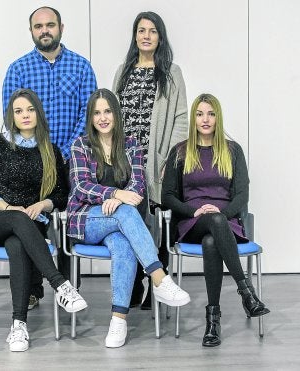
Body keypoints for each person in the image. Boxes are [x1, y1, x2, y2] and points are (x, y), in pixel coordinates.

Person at [67, 89, 190, 348]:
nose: (103, 118)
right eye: (97, 113)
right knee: (125, 212)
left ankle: (118, 320)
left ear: (116, 113)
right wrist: (114, 194)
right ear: (91, 117)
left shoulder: (131, 143)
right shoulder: (81, 145)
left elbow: (138, 185)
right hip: (87, 220)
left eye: (108, 111)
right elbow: (81, 187)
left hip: (117, 224)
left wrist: (120, 198)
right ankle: (159, 278)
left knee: (123, 245)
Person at [0, 89, 87, 352]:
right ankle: (60, 284)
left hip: (28, 226)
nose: (25, 115)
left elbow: (60, 193)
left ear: (38, 113)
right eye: (19, 111)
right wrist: (8, 207)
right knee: (17, 220)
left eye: (30, 110)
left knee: (17, 245)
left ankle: (18, 325)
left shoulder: (50, 150)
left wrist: (42, 204)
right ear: (11, 115)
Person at [2, 5, 97, 306]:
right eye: (38, 26)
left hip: (71, 162)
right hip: (29, 163)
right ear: (31, 31)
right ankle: (32, 289)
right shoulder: (18, 69)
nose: (45, 30)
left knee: (69, 224)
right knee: (30, 221)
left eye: (50, 25)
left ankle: (68, 286)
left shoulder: (81, 67)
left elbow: (89, 114)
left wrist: (65, 153)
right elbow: (11, 118)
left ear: (61, 28)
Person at [161, 93, 269, 347]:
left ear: (218, 117)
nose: (205, 119)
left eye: (210, 114)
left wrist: (224, 214)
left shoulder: (232, 150)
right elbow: (167, 196)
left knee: (213, 240)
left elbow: (242, 194)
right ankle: (247, 293)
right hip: (192, 223)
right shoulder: (180, 152)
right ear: (193, 118)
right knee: (213, 223)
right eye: (200, 114)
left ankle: (213, 320)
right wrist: (193, 212)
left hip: (226, 222)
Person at [113, 11, 188, 308]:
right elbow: (112, 115)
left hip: (155, 159)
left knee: (159, 222)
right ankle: (134, 284)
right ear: (135, 36)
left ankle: (159, 282)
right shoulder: (123, 70)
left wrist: (170, 157)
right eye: (141, 30)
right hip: (124, 161)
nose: (146, 35)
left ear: (160, 37)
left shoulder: (171, 72)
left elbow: (181, 118)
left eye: (152, 31)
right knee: (131, 219)